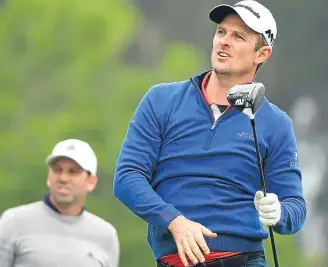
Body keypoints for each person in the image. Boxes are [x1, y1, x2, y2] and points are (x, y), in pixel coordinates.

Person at [113, 1, 306, 267]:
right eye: (221, 32)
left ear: (261, 54)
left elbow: (296, 207)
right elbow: (127, 177)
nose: (224, 42)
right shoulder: (161, 100)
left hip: (243, 259)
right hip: (173, 259)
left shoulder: (276, 124)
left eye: (238, 36)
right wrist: (175, 221)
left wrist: (280, 212)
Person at [0, 139, 120, 267]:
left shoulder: (106, 236)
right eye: (57, 170)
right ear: (49, 176)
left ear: (91, 182)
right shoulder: (14, 222)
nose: (63, 178)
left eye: (73, 172)